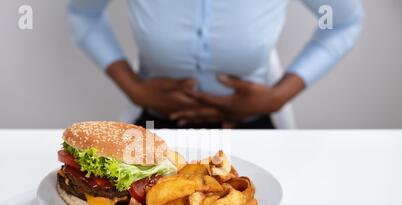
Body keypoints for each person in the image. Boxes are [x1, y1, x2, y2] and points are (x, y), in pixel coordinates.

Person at [67, 0, 364, 129]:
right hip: (153, 125)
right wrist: (133, 88)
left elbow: (344, 21)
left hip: (255, 124)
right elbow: (84, 14)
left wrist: (278, 96)